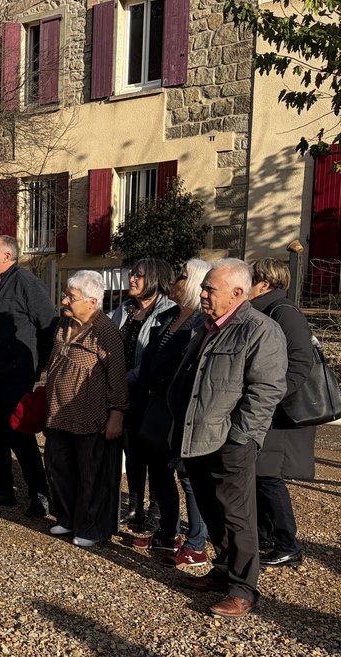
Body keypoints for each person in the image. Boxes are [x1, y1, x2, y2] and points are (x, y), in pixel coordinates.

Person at [172, 259, 287, 618]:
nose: (202, 294)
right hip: (196, 437)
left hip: (230, 442)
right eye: (204, 287)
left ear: (238, 293)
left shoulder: (259, 330)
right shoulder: (207, 326)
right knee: (210, 509)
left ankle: (243, 588)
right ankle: (223, 572)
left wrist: (239, 437)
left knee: (237, 516)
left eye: (210, 289)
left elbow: (266, 391)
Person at [133, 258, 212, 567]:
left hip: (181, 409)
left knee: (188, 475)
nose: (175, 281)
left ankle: (196, 542)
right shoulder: (170, 316)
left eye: (182, 276)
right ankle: (168, 533)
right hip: (156, 407)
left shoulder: (202, 323)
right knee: (160, 470)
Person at [43, 271, 129, 547]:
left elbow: (117, 378)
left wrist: (116, 414)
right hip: (58, 413)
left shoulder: (105, 333)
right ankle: (67, 518)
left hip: (90, 416)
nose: (65, 300)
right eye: (66, 294)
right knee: (58, 467)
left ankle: (91, 528)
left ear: (92, 302)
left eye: (72, 297)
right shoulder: (64, 324)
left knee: (91, 475)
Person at [0, 235, 56, 517]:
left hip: (15, 374)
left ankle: (40, 493)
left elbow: (48, 324)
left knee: (19, 434)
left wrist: (39, 365)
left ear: (7, 257)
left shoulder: (26, 283)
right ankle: (2, 488)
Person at [248, 258, 316, 569]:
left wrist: (269, 396)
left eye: (250, 278)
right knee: (260, 476)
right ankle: (267, 539)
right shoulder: (267, 311)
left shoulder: (283, 313)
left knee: (269, 477)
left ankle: (287, 544)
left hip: (279, 412)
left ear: (264, 283)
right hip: (270, 409)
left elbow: (301, 363)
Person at [110, 258, 176, 533]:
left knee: (155, 456)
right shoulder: (124, 310)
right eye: (132, 274)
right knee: (132, 451)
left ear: (155, 280)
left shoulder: (168, 312)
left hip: (148, 393)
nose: (132, 279)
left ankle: (156, 513)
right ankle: (135, 506)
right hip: (123, 394)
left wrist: (125, 379)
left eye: (139, 276)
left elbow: (154, 357)